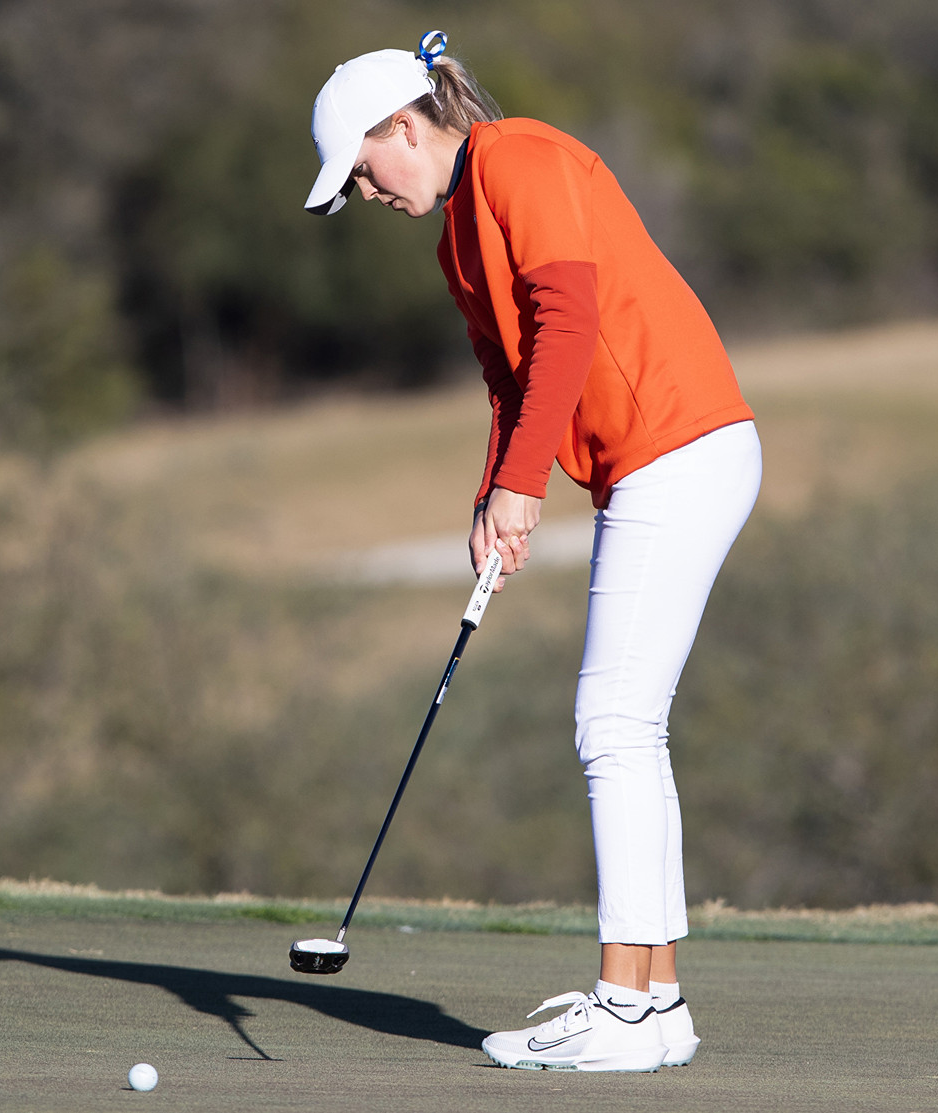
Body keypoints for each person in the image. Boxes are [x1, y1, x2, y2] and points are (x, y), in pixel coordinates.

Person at [303, 31, 760, 1073]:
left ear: (402, 130)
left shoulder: (520, 158)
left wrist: (525, 484)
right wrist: (493, 492)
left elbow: (567, 318)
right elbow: (513, 382)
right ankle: (656, 1002)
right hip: (652, 460)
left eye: (364, 170)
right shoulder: (456, 238)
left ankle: (628, 1011)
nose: (367, 193)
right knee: (625, 722)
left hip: (680, 443)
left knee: (613, 720)